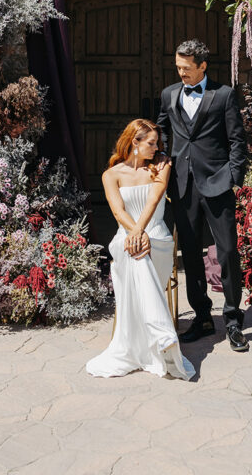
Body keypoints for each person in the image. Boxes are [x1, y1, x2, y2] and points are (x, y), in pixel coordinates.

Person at [157, 38, 249, 352]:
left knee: (226, 252)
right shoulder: (169, 94)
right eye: (178, 67)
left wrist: (234, 179)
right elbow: (161, 129)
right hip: (183, 186)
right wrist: (159, 161)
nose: (180, 72)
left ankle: (234, 319)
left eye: (186, 68)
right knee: (192, 254)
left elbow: (238, 140)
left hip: (218, 183)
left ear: (202, 66)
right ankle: (202, 316)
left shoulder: (223, 96)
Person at [85, 118, 195, 381]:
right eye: (151, 143)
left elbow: (154, 199)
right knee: (133, 251)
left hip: (156, 234)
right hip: (126, 235)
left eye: (157, 143)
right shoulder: (111, 175)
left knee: (140, 250)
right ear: (134, 142)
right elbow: (117, 210)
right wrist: (134, 233)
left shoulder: (161, 166)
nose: (156, 148)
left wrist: (140, 231)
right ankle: (163, 335)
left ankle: (160, 334)